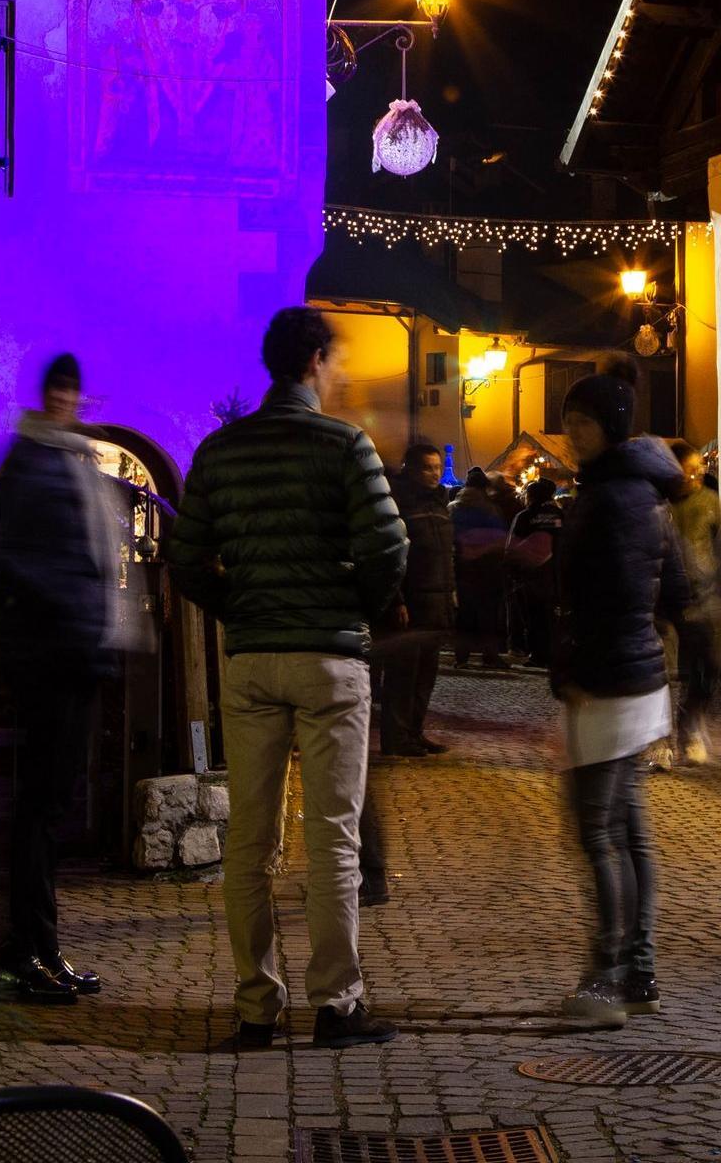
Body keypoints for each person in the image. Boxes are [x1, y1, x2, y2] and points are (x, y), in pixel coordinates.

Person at [166, 307, 408, 1050]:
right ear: (314, 363)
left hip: (252, 658)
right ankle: (338, 1005)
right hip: (330, 659)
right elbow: (388, 547)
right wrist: (356, 608)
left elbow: (182, 559)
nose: (336, 373)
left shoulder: (220, 451)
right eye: (333, 361)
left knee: (250, 839)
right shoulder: (345, 446)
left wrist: (239, 603)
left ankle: (255, 1007)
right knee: (332, 836)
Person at [552, 371, 692, 1027]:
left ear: (611, 425)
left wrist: (573, 667)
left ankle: (606, 980)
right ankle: (638, 973)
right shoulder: (648, 492)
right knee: (628, 830)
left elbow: (592, 601)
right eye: (569, 419)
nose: (572, 432)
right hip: (640, 679)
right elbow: (681, 591)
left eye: (583, 421)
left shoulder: (610, 497)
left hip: (608, 680)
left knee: (598, 831)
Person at [0, 354, 125, 1004]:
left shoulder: (64, 459)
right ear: (44, 395)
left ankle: (39, 948)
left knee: (48, 808)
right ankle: (21, 955)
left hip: (69, 653)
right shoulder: (34, 463)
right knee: (39, 809)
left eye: (74, 387)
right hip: (53, 656)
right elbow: (30, 565)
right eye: (59, 388)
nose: (68, 397)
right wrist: (78, 623)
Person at [379, 441, 453, 756]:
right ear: (412, 468)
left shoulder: (439, 503)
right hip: (411, 602)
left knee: (426, 673)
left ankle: (414, 731)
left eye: (437, 467)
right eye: (427, 467)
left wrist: (452, 591)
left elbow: (447, 554)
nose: (434, 473)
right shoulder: (398, 502)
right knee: (403, 674)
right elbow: (391, 556)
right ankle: (396, 737)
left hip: (437, 601)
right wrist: (397, 600)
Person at [666, 442, 721, 766]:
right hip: (665, 603)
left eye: (699, 469)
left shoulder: (710, 503)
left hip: (707, 600)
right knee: (669, 672)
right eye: (690, 470)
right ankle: (670, 739)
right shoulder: (659, 504)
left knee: (709, 670)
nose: (698, 475)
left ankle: (691, 717)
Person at [452, 468, 512, 669]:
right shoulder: (490, 509)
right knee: (488, 615)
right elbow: (500, 540)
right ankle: (490, 655)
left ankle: (461, 656)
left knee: (464, 615)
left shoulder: (453, 508)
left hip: (461, 569)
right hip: (488, 570)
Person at [507, 477, 565, 666]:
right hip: (555, 575)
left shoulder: (524, 516)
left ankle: (538, 654)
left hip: (530, 576)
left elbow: (512, 547)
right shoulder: (560, 515)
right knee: (552, 617)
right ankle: (554, 653)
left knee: (533, 617)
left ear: (531, 496)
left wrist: (513, 571)